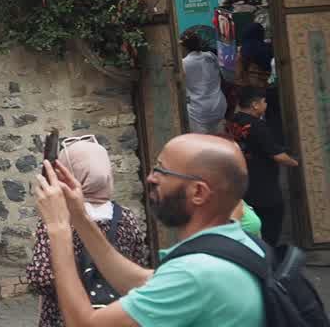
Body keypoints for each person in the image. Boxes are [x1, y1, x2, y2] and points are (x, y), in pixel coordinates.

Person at [33, 134, 263, 327]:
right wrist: (78, 216)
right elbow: (139, 279)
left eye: (163, 171)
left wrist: (58, 228)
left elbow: (85, 324)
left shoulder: (194, 274)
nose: (151, 178)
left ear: (198, 193)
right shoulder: (239, 245)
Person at [26, 138, 149, 327]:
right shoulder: (126, 216)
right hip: (115, 314)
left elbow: (41, 276)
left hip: (65, 315)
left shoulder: (58, 217)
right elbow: (138, 263)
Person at [226, 85, 298, 246]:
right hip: (264, 185)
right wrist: (297, 163)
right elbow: (277, 156)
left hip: (244, 182)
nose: (266, 105)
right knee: (272, 221)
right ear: (255, 104)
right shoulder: (258, 126)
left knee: (251, 222)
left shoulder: (233, 121)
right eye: (264, 102)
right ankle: (267, 254)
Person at [181, 31, 226, 135]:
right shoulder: (210, 56)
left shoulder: (183, 63)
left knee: (202, 143)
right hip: (218, 104)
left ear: (184, 47)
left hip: (198, 110)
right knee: (220, 140)